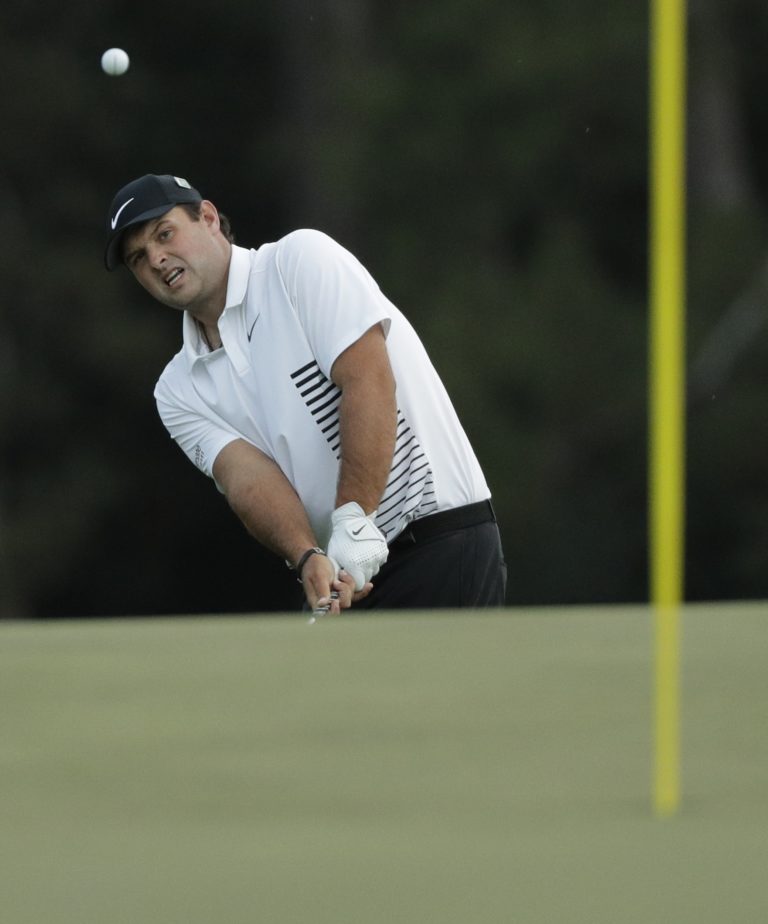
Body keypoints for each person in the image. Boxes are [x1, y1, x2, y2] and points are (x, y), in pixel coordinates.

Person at [104, 174, 506, 615]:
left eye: (165, 234)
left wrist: (354, 518)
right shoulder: (178, 390)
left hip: (438, 537)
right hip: (347, 580)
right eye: (139, 258)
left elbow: (369, 379)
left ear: (209, 218)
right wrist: (306, 556)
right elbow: (247, 479)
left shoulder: (298, 262)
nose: (158, 259)